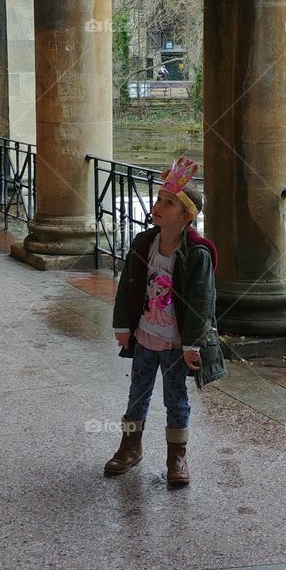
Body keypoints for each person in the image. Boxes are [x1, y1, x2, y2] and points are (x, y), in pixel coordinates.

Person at [105, 155, 226, 487]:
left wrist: (193, 345)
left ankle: (177, 457)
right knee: (137, 393)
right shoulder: (144, 243)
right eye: (158, 199)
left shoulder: (197, 254)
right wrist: (123, 327)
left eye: (168, 202)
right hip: (145, 336)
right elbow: (128, 285)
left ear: (187, 215)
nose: (158, 206)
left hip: (176, 345)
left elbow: (202, 303)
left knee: (176, 399)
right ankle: (130, 448)